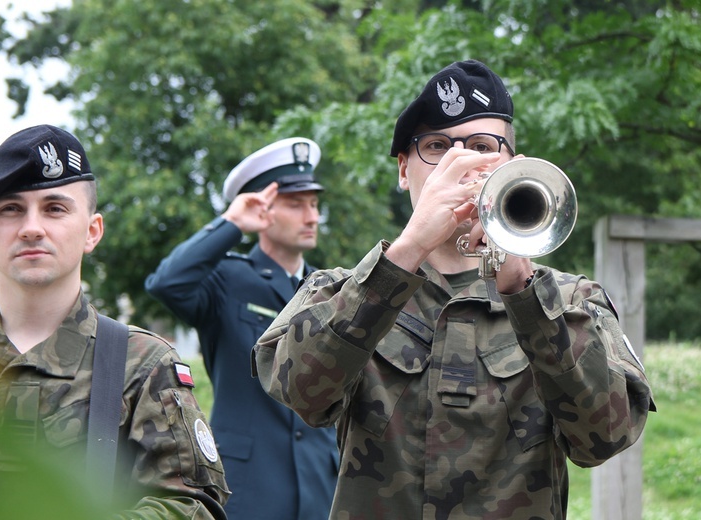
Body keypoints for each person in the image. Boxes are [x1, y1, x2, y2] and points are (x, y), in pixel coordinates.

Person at [251, 60, 656, 520]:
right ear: (404, 170)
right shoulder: (336, 290)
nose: (459, 164)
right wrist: (404, 254)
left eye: (483, 146)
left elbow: (603, 437)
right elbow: (301, 394)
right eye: (438, 146)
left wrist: (524, 292)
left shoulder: (573, 301)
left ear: (515, 168)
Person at [0, 125, 229, 519]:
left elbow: (193, 506)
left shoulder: (142, 363)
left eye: (55, 208)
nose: (32, 227)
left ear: (92, 231)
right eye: (11, 209)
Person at [145, 137, 338, 520]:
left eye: (314, 204)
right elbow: (166, 283)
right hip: (247, 490)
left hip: (323, 489)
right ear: (261, 207)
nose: (312, 216)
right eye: (296, 205)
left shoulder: (331, 289)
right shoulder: (226, 280)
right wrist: (232, 224)